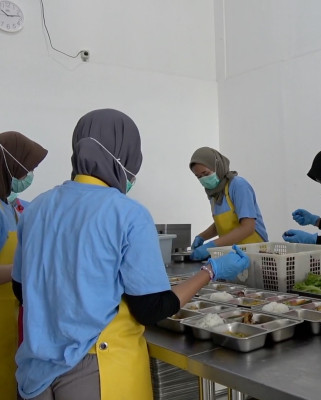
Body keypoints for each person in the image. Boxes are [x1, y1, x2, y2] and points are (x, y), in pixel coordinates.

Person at [11, 109, 250, 400]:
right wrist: (210, 271)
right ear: (125, 154)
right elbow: (151, 308)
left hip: (34, 371)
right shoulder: (127, 213)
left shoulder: (35, 209)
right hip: (97, 370)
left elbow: (22, 290)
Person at [0, 132, 47, 400]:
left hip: (13, 319)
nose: (29, 175)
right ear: (10, 164)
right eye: (27, 168)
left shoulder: (10, 207)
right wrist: (23, 269)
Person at [189, 147, 268, 260]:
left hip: (255, 253)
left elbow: (248, 227)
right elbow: (222, 224)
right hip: (234, 256)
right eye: (199, 177)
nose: (203, 179)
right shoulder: (214, 194)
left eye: (206, 173)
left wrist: (212, 245)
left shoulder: (238, 186)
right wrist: (201, 237)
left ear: (217, 167)